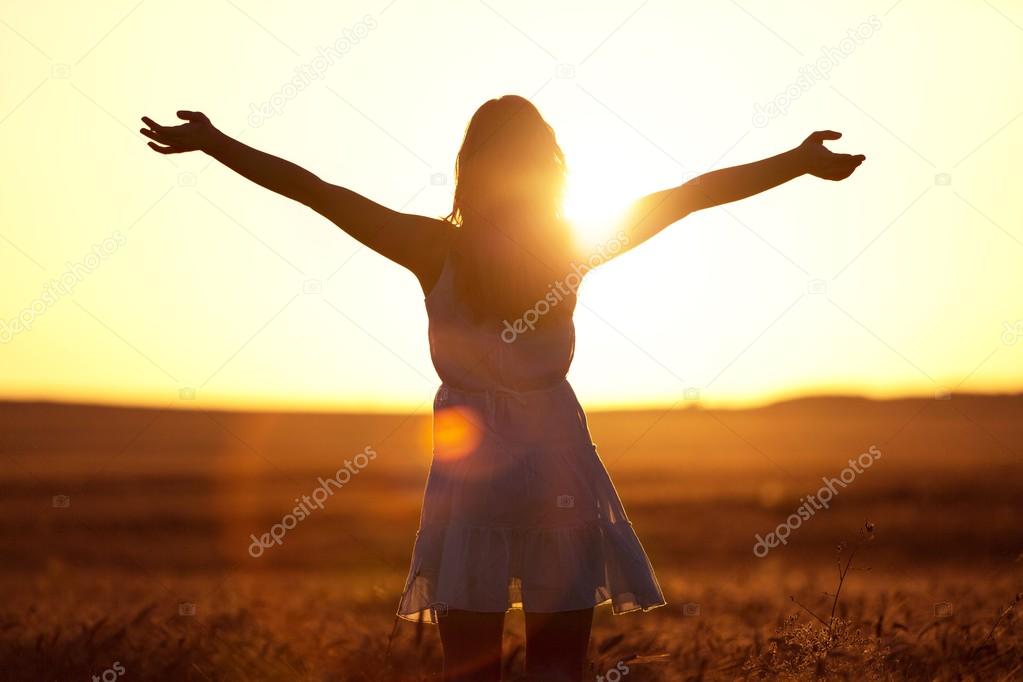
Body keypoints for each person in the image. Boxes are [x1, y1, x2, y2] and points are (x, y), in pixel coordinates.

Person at [140, 95, 863, 681]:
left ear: (470, 169)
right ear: (548, 171)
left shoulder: (434, 248)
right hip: (557, 464)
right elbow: (688, 196)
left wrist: (215, 143)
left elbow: (319, 193)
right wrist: (797, 161)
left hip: (474, 474)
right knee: (557, 669)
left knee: (469, 668)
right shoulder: (570, 245)